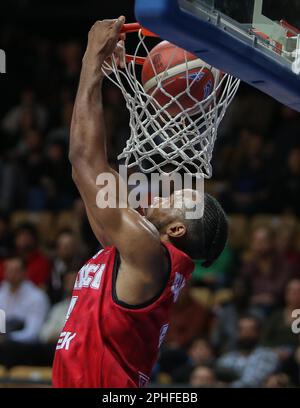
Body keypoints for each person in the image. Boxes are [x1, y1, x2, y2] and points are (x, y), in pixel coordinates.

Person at [52, 18, 228, 388]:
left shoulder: (146, 252)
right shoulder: (136, 254)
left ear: (177, 228)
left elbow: (85, 161)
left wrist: (91, 61)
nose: (162, 195)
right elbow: (86, 172)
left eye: (174, 197)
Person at [216, 315, 278, 387]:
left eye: (250, 330)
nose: (246, 334)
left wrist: (228, 385)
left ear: (258, 333)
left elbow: (253, 382)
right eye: (242, 330)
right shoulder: (227, 357)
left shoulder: (268, 356)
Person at [0, 256, 49, 344]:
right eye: (8, 270)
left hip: (25, 346)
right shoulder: (2, 292)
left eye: (15, 270)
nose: (11, 274)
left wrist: (7, 338)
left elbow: (33, 332)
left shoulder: (37, 297)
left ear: (25, 272)